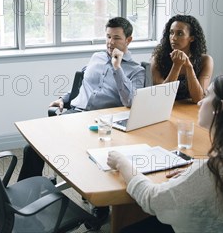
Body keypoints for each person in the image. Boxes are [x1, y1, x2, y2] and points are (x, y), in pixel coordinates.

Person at [107, 74, 223, 233]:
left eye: (207, 95)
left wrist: (123, 163)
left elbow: (152, 199)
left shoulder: (214, 170)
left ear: (220, 107)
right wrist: (198, 170)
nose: (200, 102)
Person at [18, 17, 145, 228]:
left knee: (95, 160)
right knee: (31, 148)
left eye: (116, 38)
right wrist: (64, 98)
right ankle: (24, 199)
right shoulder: (96, 56)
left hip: (103, 125)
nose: (110, 43)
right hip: (75, 115)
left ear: (128, 40)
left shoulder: (136, 71)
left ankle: (101, 206)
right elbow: (82, 84)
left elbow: (130, 101)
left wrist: (117, 67)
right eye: (107, 37)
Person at [151, 14, 213, 103]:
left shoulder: (205, 60)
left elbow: (198, 98)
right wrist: (176, 66)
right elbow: (163, 96)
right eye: (171, 33)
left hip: (191, 111)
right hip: (165, 109)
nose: (173, 38)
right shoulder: (158, 58)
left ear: (191, 38)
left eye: (180, 33)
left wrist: (189, 67)